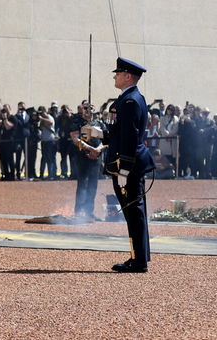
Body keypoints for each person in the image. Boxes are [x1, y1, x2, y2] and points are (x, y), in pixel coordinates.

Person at [104, 57, 153, 273]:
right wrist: (101, 140)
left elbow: (130, 139)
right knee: (134, 211)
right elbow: (119, 134)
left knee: (133, 211)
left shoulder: (130, 101)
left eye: (118, 73)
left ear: (128, 76)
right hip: (128, 163)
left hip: (129, 166)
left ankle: (138, 260)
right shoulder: (129, 98)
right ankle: (139, 257)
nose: (114, 76)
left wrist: (123, 169)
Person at [71, 103, 104, 219]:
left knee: (93, 185)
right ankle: (79, 212)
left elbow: (106, 139)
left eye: (91, 108)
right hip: (82, 157)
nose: (88, 110)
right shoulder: (77, 122)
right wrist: (90, 149)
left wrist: (98, 150)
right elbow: (75, 139)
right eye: (86, 108)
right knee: (83, 184)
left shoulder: (98, 124)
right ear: (82, 110)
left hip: (96, 158)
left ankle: (89, 212)